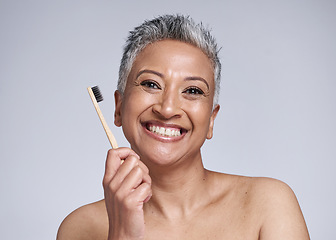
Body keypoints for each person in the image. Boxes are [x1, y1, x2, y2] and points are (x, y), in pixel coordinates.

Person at [57, 14, 310, 240]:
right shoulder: (79, 229)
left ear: (211, 120)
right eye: (151, 84)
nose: (167, 109)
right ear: (119, 107)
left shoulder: (269, 205)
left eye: (192, 90)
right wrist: (122, 235)